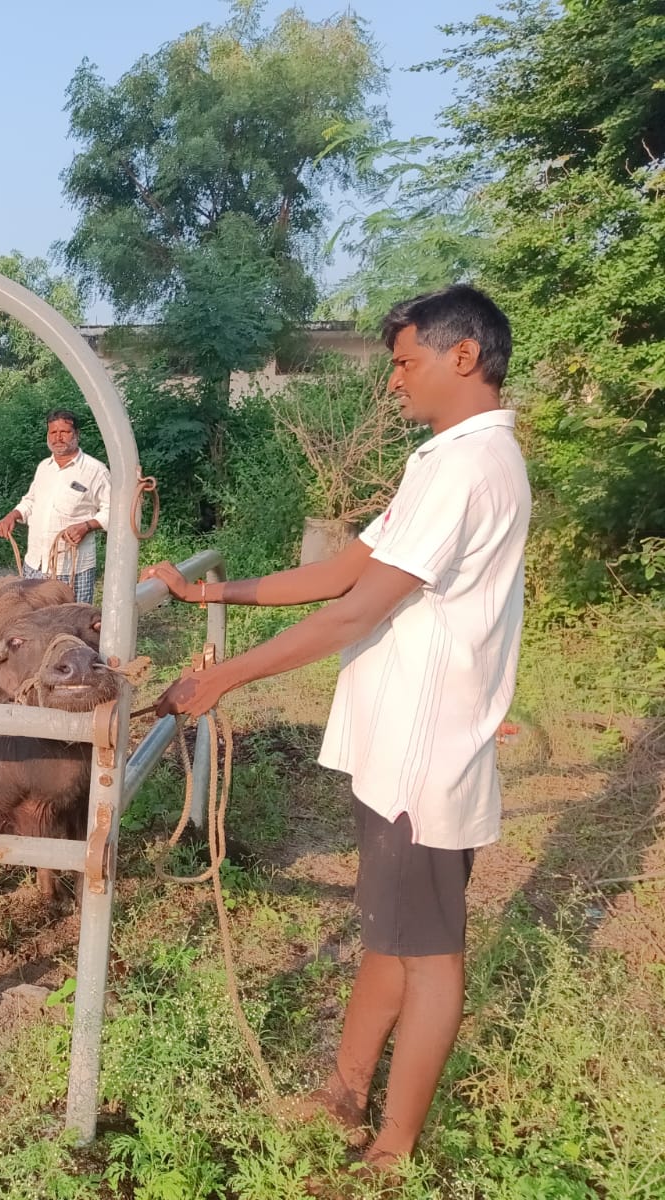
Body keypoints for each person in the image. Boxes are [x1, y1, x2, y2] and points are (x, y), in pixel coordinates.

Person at [145, 285, 528, 1176]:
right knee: (390, 934)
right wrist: (213, 591)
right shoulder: (442, 463)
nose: (393, 381)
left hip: (424, 756)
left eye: (405, 363)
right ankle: (344, 1094)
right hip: (400, 749)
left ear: (463, 356)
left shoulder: (470, 467)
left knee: (428, 955)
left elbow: (355, 611)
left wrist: (221, 677)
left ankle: (393, 1146)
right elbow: (345, 569)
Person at [0, 409, 111, 603]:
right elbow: (30, 501)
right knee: (32, 618)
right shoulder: (44, 468)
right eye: (53, 432)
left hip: (72, 569)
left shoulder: (95, 471)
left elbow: (113, 512)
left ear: (77, 434)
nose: (58, 437)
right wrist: (13, 515)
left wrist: (87, 526)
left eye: (64, 432)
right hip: (35, 565)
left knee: (73, 620)